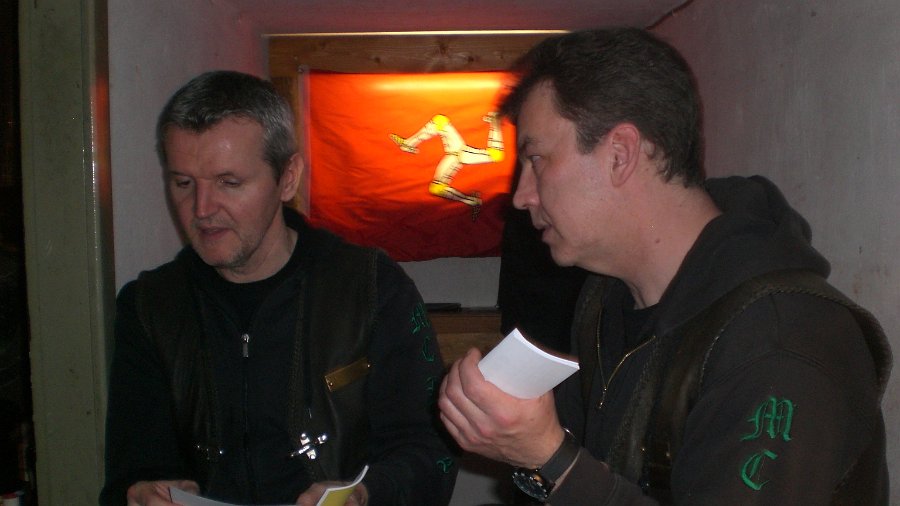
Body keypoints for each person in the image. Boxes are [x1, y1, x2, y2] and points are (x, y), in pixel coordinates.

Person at [438, 28, 891, 505]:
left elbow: (571, 469)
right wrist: (512, 428)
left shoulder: (782, 341)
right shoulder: (606, 303)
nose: (521, 196)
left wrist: (549, 460)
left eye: (536, 159)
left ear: (620, 154)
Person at [100, 70, 457, 506]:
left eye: (229, 183)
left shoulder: (371, 287)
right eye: (183, 183)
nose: (202, 209)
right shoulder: (150, 306)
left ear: (287, 178)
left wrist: (363, 494)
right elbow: (131, 466)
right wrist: (142, 492)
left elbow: (430, 453)